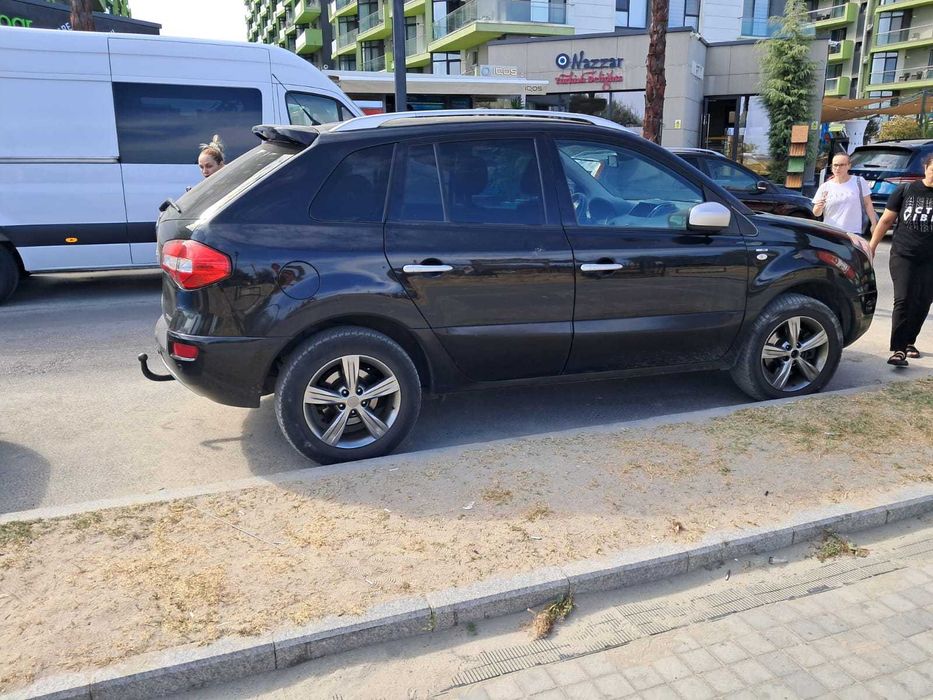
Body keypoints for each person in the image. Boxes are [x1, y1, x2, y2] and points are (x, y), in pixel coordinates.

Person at [869, 151, 933, 367]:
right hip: (903, 253)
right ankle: (898, 349)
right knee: (903, 299)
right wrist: (872, 246)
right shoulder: (905, 190)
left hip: (930, 259)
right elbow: (886, 220)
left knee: (922, 301)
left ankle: (909, 342)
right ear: (926, 168)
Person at [812, 152, 878, 237]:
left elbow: (868, 204)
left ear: (849, 166)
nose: (837, 168)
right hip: (830, 232)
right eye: (835, 165)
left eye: (841, 165)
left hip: (853, 232)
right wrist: (818, 207)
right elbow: (816, 213)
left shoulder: (859, 182)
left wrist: (873, 223)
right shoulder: (825, 186)